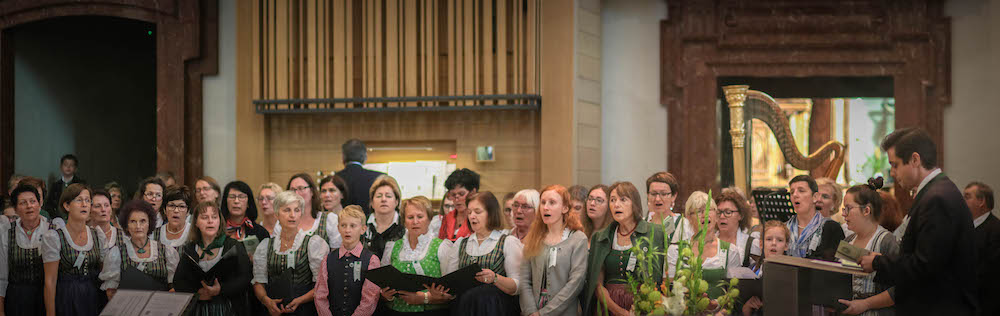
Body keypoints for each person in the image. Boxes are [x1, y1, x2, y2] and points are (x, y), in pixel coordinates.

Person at [858, 127, 977, 315]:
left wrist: (878, 263)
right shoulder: (936, 192)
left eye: (895, 165)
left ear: (915, 159)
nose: (892, 173)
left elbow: (925, 264)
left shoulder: (937, 198)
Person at [582, 181, 666, 316]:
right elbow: (597, 284)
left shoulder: (654, 233)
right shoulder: (601, 237)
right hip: (608, 306)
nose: (616, 205)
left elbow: (659, 278)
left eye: (623, 200)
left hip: (644, 305)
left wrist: (641, 306)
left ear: (635, 204)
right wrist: (619, 311)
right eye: (612, 200)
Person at [442, 191, 523, 316]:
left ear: (491, 213)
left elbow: (518, 286)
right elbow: (450, 284)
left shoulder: (507, 242)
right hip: (464, 308)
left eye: (477, 212)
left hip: (494, 308)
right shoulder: (460, 244)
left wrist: (495, 278)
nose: (472, 216)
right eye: (469, 212)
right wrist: (440, 290)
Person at [252, 191, 329, 316]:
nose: (292, 215)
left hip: (304, 310)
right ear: (277, 214)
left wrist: (300, 300)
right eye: (287, 210)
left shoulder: (313, 243)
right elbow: (258, 282)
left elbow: (321, 285)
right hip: (273, 309)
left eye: (297, 210)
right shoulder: (266, 245)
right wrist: (266, 301)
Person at [173, 201, 253, 315]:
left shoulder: (233, 246)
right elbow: (179, 282)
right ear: (196, 222)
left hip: (227, 308)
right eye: (205, 217)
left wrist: (221, 289)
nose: (210, 221)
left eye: (214, 217)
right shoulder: (190, 249)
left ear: (219, 221)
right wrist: (197, 293)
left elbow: (245, 277)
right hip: (197, 309)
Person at [379, 196, 455, 316]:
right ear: (404, 221)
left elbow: (452, 292)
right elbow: (382, 284)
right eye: (410, 217)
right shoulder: (393, 247)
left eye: (420, 217)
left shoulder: (442, 247)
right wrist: (386, 296)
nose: (415, 221)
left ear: (429, 219)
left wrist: (424, 298)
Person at [518, 185, 588, 316]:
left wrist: (544, 313)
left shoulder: (577, 239)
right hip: (533, 310)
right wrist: (531, 311)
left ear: (565, 208)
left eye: (552, 202)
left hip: (564, 311)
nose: (545, 207)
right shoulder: (534, 237)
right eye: (543, 202)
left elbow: (575, 282)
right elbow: (524, 278)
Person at [835, 178, 900, 316]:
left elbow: (900, 288)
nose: (844, 214)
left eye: (848, 208)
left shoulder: (886, 241)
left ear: (866, 211)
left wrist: (865, 304)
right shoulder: (848, 242)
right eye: (843, 209)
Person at [41, 183, 106, 315]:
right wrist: (50, 313)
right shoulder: (55, 237)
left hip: (92, 297)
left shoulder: (97, 234)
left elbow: (104, 273)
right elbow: (50, 281)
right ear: (67, 205)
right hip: (66, 297)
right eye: (79, 200)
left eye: (88, 200)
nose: (84, 204)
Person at [666, 191, 742, 299]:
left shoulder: (731, 251)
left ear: (716, 215)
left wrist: (720, 307)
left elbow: (735, 293)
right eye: (699, 211)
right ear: (689, 217)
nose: (705, 215)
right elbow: (669, 291)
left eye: (709, 210)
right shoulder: (675, 250)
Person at [99, 200, 180, 295]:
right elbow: (111, 292)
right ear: (126, 226)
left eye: (143, 221)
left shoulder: (166, 251)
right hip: (129, 306)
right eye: (133, 221)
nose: (138, 226)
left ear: (149, 224)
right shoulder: (116, 253)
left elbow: (174, 287)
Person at [314, 206, 380, 316]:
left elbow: (370, 298)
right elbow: (320, 295)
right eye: (343, 225)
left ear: (363, 229)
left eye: (353, 226)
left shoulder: (372, 260)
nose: (347, 230)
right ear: (338, 228)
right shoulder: (328, 259)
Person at [0, 184, 53, 315]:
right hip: (16, 298)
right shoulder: (7, 232)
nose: (29, 206)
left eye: (33, 201)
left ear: (40, 204)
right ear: (16, 209)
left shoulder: (52, 230)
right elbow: (2, 277)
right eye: (23, 203)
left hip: (45, 296)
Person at [785, 175, 844, 260]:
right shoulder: (786, 226)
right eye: (792, 192)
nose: (819, 200)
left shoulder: (832, 228)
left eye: (825, 196)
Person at [964, 182, 1000, 316]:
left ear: (981, 201)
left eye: (967, 197)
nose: (962, 201)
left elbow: (989, 273)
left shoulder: (996, 230)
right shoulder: (966, 228)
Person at [741, 220, 791, 316]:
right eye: (768, 239)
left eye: (779, 240)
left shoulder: (791, 274)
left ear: (786, 246)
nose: (774, 243)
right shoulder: (751, 270)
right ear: (761, 244)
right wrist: (747, 307)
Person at [284, 173, 342, 249]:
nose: (296, 193)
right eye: (292, 190)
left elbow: (337, 256)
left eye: (301, 188)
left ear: (311, 191)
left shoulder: (330, 220)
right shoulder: (281, 223)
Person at [335, 139, 386, 216]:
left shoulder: (334, 179)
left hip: (342, 224)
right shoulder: (379, 178)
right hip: (371, 225)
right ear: (365, 157)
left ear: (343, 157)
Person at [361, 175, 405, 258]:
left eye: (388, 196)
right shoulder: (361, 224)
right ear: (372, 203)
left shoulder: (405, 225)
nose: (383, 199)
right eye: (379, 196)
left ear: (396, 201)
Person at [714, 190, 760, 268]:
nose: (722, 216)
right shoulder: (707, 241)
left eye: (728, 212)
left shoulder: (751, 244)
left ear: (741, 215)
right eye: (718, 212)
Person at [220, 181, 271, 247]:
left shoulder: (260, 232)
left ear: (248, 203)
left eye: (241, 197)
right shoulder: (217, 231)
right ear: (225, 201)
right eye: (232, 197)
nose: (236, 201)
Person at [438, 169, 479, 241]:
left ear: (473, 192)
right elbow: (439, 243)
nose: (457, 199)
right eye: (453, 195)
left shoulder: (480, 218)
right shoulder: (447, 218)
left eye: (461, 194)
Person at [154, 186, 193, 252]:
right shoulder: (154, 234)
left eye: (181, 206)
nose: (176, 210)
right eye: (172, 206)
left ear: (188, 211)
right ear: (164, 210)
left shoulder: (193, 233)